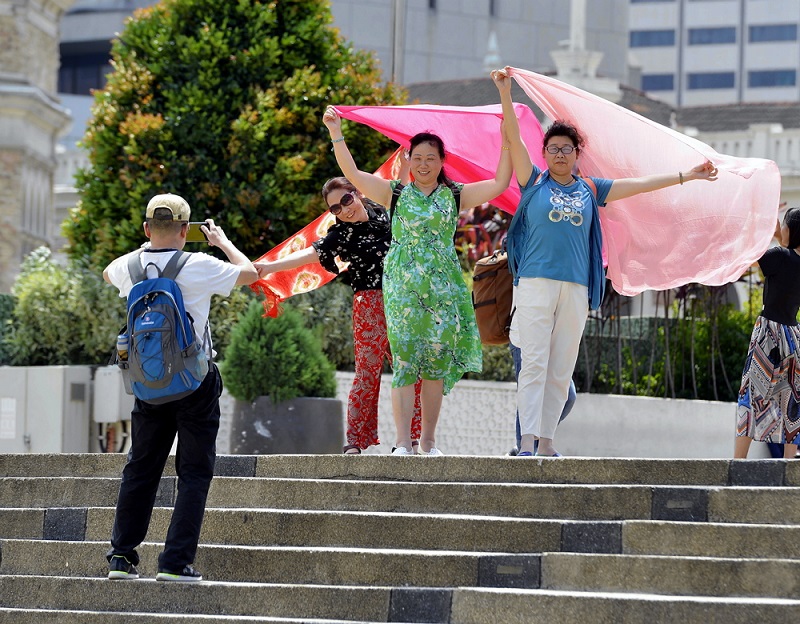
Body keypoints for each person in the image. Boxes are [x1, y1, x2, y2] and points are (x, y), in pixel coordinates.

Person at [492, 67, 718, 457]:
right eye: (553, 149)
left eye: (567, 149)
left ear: (578, 154)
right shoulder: (533, 183)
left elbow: (641, 185)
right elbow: (512, 137)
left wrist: (689, 176)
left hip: (577, 287)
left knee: (561, 368)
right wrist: (505, 92)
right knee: (534, 364)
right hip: (534, 283)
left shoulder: (591, 189)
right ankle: (525, 443)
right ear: (544, 153)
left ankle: (546, 443)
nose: (560, 154)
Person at [323, 105, 513, 456]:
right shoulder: (394, 194)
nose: (424, 164)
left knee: (436, 365)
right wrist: (336, 131)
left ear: (442, 161)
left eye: (431, 157)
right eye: (418, 157)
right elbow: (350, 171)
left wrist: (505, 140)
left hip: (443, 289)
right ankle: (401, 444)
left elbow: (501, 183)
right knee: (407, 363)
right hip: (402, 289)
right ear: (409, 160)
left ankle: (428, 442)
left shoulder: (455, 196)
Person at [103, 193, 258, 581]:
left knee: (140, 468)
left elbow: (107, 272)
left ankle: (121, 557)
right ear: (186, 231)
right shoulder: (198, 264)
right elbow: (251, 272)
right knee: (193, 472)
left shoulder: (129, 266)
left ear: (145, 229)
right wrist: (221, 242)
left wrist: (144, 254)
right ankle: (174, 563)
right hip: (194, 382)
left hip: (148, 383)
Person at [254, 177, 423, 454]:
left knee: (409, 371)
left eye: (346, 200)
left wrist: (405, 163)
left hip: (403, 302)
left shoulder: (383, 214)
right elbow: (309, 255)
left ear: (357, 193)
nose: (344, 209)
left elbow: (398, 189)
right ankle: (355, 441)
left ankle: (411, 439)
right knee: (366, 374)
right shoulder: (341, 234)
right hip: (369, 305)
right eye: (335, 208)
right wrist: (268, 267)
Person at [735, 208, 800, 460]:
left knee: (751, 395)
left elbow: (749, 260)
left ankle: (738, 463)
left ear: (791, 230)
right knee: (791, 399)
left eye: (784, 226)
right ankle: (789, 467)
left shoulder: (778, 256)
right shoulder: (788, 257)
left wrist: (760, 228)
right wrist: (776, 234)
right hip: (793, 336)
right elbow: (786, 255)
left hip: (768, 334)